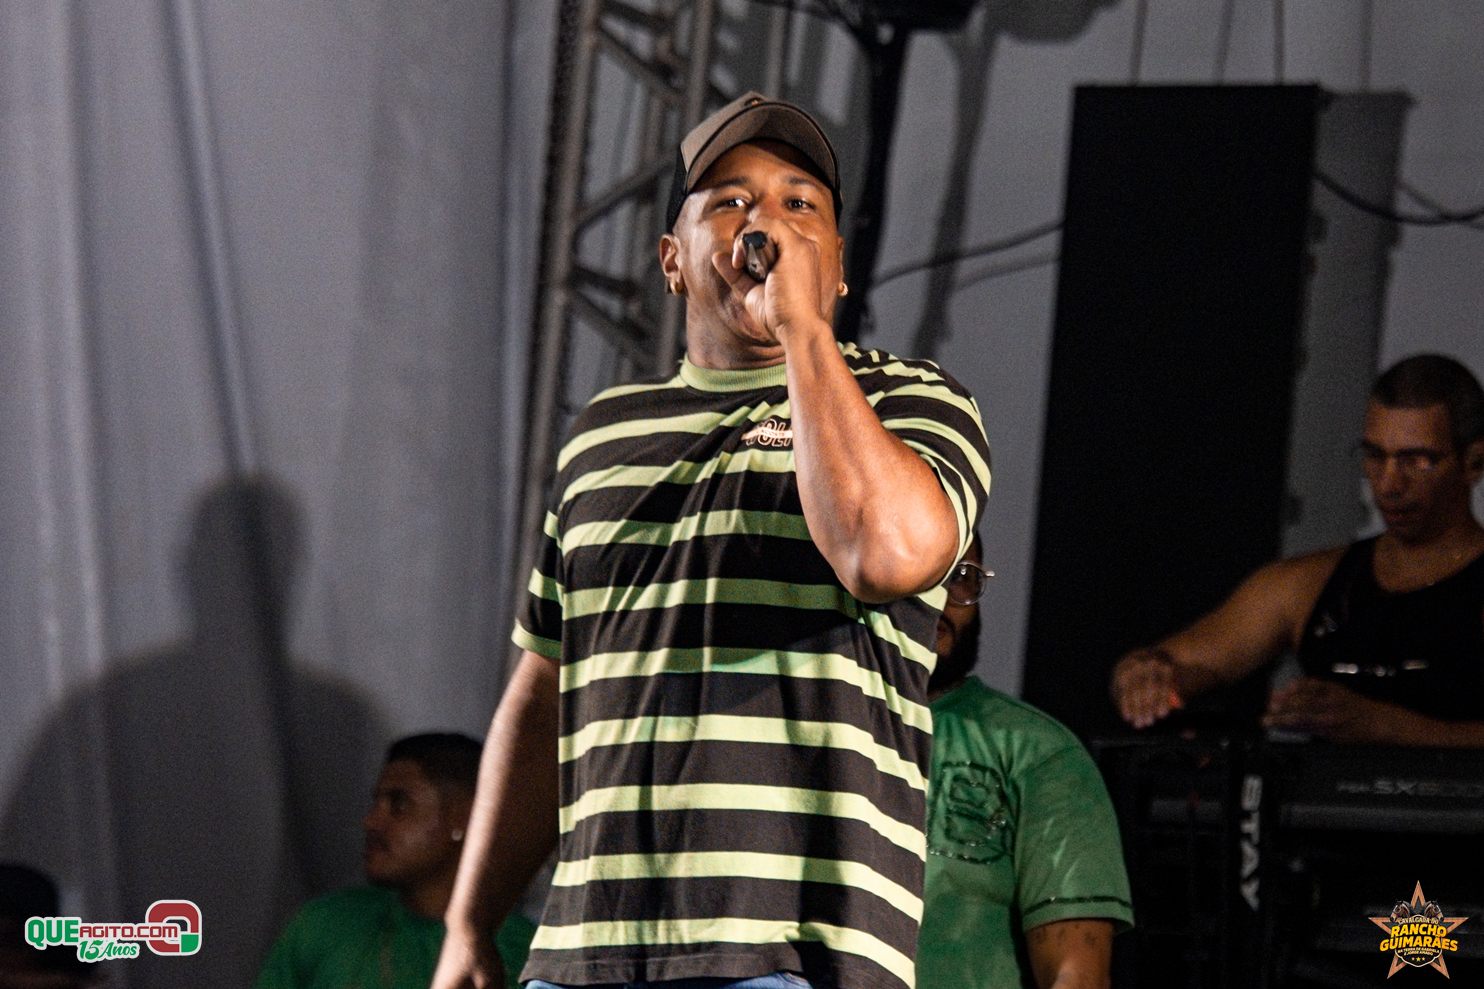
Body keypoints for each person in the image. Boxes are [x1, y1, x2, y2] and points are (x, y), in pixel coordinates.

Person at [431, 92, 992, 989]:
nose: (765, 221)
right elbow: (544, 695)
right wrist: (470, 920)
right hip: (582, 955)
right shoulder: (601, 435)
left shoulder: (909, 402)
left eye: (800, 203)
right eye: (730, 200)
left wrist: (802, 329)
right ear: (672, 261)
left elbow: (886, 554)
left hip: (790, 954)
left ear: (837, 266)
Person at [1110, 353, 1484, 746]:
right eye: (1374, 456)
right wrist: (1144, 676)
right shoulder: (1308, 584)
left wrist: (1385, 726)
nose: (1389, 484)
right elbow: (1183, 665)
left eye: (1418, 461)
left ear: (1474, 463)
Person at [919, 536, 1132, 989]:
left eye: (961, 578)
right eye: (920, 572)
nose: (940, 598)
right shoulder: (804, 724)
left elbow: (1076, 976)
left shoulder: (1040, 753)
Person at [254, 734, 535, 989]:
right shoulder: (324, 925)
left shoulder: (523, 951)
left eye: (398, 804)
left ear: (463, 817)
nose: (371, 822)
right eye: (375, 803)